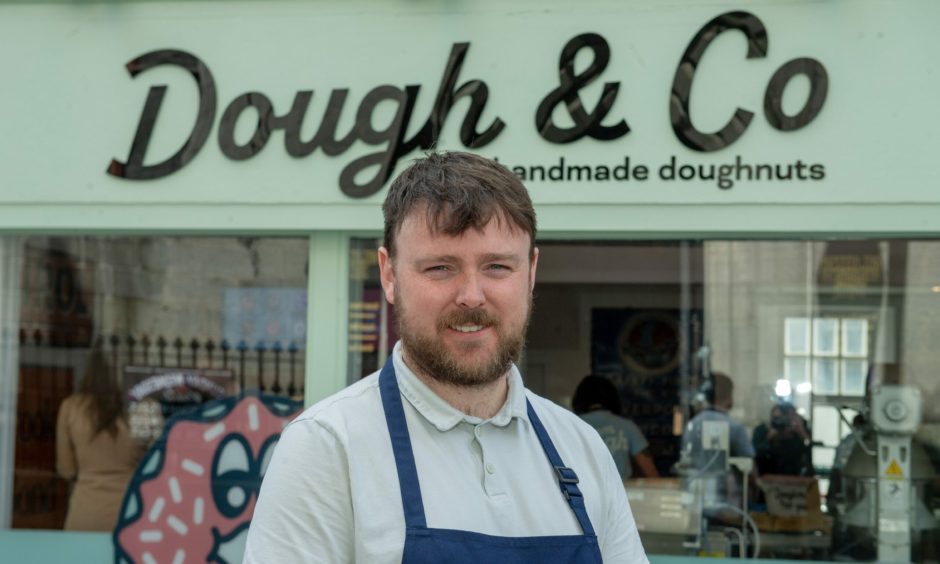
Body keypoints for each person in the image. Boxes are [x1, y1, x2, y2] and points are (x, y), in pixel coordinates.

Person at [245, 151, 648, 563]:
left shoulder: (581, 448)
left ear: (531, 272)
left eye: (496, 266)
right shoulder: (327, 448)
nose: (472, 296)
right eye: (440, 268)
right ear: (389, 275)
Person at [55, 344, 146, 531]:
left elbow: (66, 469)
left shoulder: (71, 407)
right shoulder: (142, 409)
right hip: (131, 511)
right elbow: (155, 463)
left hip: (86, 513)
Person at [572, 375, 659, 480]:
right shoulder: (626, 426)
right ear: (613, 398)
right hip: (621, 492)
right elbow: (650, 472)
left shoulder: (573, 424)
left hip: (584, 493)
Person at [680, 372, 755, 469]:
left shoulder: (692, 425)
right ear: (729, 394)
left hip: (696, 482)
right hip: (725, 483)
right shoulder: (735, 427)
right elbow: (750, 468)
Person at [751, 402, 814, 477]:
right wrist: (768, 438)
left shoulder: (797, 433)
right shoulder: (762, 430)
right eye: (777, 418)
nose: (781, 422)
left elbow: (810, 456)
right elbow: (754, 452)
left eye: (786, 419)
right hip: (767, 476)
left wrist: (801, 433)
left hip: (795, 478)